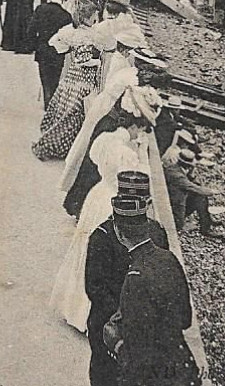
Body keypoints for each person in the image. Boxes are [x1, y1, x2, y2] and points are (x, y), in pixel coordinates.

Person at [51, 117, 151, 333]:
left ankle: (72, 308)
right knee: (105, 255)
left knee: (86, 247)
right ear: (133, 127)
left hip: (97, 194)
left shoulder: (106, 139)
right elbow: (142, 179)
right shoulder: (128, 154)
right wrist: (142, 153)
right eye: (139, 130)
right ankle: (87, 314)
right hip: (112, 200)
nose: (138, 135)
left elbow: (96, 159)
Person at [108, 196, 201, 386]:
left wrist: (116, 343)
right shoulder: (168, 258)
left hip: (152, 383)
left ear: (119, 234)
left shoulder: (135, 278)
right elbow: (185, 319)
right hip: (181, 369)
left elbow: (138, 351)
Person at [85, 173, 169, 386]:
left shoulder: (101, 235)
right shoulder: (155, 232)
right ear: (148, 201)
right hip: (122, 325)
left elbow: (94, 288)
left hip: (113, 326)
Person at [32, 0, 111, 161]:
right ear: (89, 18)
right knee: (74, 114)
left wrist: (69, 50)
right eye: (95, 16)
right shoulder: (90, 35)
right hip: (85, 78)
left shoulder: (71, 31)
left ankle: (55, 142)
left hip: (72, 76)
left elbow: (54, 43)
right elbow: (87, 61)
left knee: (64, 110)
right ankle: (54, 145)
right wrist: (99, 60)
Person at [27, 0, 73, 109]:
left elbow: (30, 31)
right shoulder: (66, 16)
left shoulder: (41, 9)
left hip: (42, 50)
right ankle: (51, 101)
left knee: (45, 77)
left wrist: (36, 46)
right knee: (55, 78)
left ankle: (48, 101)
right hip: (58, 53)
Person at [163, 148, 217, 236]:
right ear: (188, 166)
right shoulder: (178, 176)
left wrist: (191, 174)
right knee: (200, 196)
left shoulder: (173, 168)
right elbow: (194, 187)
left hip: (172, 202)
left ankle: (207, 224)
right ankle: (206, 228)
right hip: (173, 208)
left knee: (200, 197)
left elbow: (194, 183)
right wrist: (212, 191)